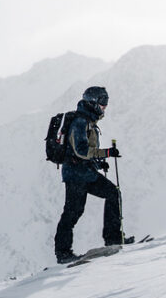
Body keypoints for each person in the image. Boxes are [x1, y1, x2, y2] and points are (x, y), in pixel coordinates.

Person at [53, 86, 125, 263]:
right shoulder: (80, 122)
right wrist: (106, 153)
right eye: (103, 101)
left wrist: (99, 162)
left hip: (84, 172)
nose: (105, 106)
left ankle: (113, 239)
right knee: (73, 212)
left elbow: (84, 153)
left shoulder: (89, 122)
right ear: (92, 102)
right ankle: (63, 253)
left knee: (112, 193)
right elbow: (81, 151)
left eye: (106, 101)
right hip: (76, 175)